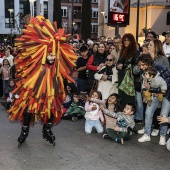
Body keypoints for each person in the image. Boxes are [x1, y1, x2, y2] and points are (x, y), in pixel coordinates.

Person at [7, 15, 78, 147]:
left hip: (50, 92)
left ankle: (47, 129)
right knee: (28, 110)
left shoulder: (57, 67)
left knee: (51, 110)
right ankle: (24, 131)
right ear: (43, 54)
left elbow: (64, 76)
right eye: (49, 55)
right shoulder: (36, 65)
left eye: (53, 55)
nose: (51, 57)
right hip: (34, 90)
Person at [117, 33, 140, 108]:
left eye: (128, 40)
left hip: (129, 78)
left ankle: (129, 114)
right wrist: (118, 66)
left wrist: (124, 66)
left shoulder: (135, 52)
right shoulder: (122, 51)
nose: (126, 42)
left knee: (129, 97)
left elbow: (137, 66)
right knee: (121, 96)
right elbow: (118, 63)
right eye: (124, 40)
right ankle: (122, 113)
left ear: (132, 41)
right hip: (121, 76)